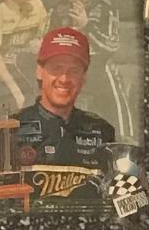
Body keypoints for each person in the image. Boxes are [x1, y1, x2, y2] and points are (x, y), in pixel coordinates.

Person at [9, 28, 115, 186]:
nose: (64, 79)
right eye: (56, 68)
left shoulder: (102, 131)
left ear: (84, 77)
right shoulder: (9, 129)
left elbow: (122, 194)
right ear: (39, 72)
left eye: (74, 71)